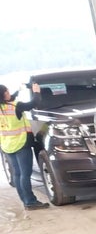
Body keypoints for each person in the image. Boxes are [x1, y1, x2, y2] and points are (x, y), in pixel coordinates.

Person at [0, 82, 49, 210]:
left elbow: (10, 99)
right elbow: (33, 103)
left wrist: (18, 91)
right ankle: (30, 202)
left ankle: (25, 200)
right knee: (25, 174)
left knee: (17, 174)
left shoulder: (4, 107)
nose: (9, 93)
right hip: (21, 143)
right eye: (7, 91)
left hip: (7, 145)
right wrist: (36, 91)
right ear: (4, 94)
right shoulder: (16, 106)